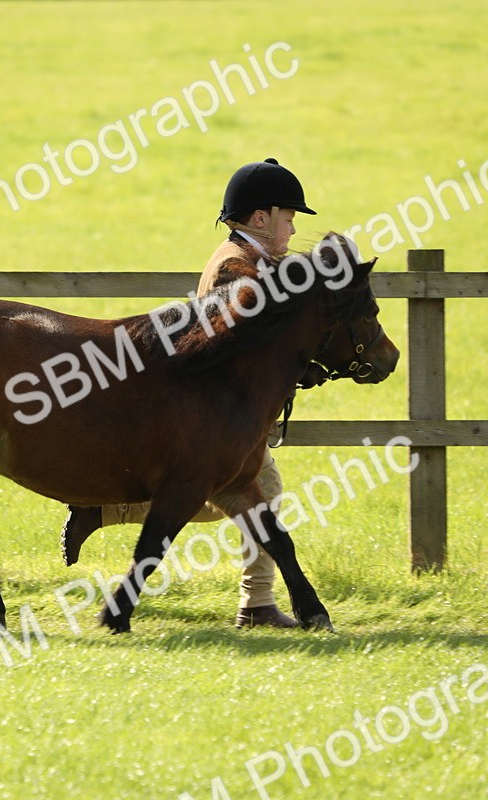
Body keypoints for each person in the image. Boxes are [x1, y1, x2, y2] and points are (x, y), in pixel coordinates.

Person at [60, 157, 318, 629]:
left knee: (213, 497)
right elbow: (245, 342)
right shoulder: (235, 268)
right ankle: (257, 604)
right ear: (261, 218)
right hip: (215, 419)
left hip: (224, 416)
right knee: (254, 489)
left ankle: (108, 511)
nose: (293, 229)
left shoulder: (250, 260)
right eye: (289, 217)